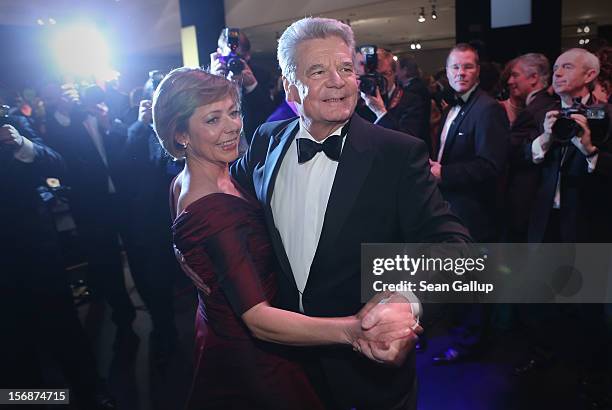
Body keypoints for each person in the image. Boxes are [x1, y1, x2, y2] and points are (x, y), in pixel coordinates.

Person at [231, 17, 471, 409]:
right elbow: (230, 201)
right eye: (319, 70)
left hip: (368, 372)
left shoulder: (397, 154)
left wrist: (405, 299)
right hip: (287, 366)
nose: (339, 81)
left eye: (346, 68)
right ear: (290, 86)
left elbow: (457, 252)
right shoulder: (266, 141)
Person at [153, 68, 416, 410]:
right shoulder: (211, 210)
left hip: (217, 330)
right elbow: (258, 319)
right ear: (180, 135)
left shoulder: (203, 176)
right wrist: (353, 330)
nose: (232, 126)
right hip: (259, 356)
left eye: (233, 112)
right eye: (212, 119)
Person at [0, 112, 116, 409]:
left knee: (63, 327)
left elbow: (55, 163)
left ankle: (90, 393)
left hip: (34, 252)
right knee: (13, 348)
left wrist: (20, 143)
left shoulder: (9, 122)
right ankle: (34, 401)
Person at [428, 43, 509, 365]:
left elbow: (491, 166)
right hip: (455, 210)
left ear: (478, 71)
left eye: (468, 67)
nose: (461, 73)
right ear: (447, 72)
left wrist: (442, 172)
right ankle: (462, 338)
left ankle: (470, 345)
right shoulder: (453, 106)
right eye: (455, 68)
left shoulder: (488, 108)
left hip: (476, 213)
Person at [504, 53, 558, 242]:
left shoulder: (538, 111)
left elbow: (513, 154)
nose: (510, 81)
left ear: (534, 77)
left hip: (528, 207)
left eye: (515, 75)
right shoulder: (540, 107)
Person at [209, 28, 275, 145]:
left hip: (256, 147)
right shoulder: (208, 80)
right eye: (228, 57)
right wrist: (213, 81)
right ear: (219, 54)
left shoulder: (261, 75)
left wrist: (252, 85)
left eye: (238, 57)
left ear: (247, 55)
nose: (233, 62)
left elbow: (272, 117)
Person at [360, 49, 432, 151]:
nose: (378, 79)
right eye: (374, 75)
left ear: (394, 74)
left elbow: (407, 142)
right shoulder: (361, 102)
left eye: (384, 74)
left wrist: (380, 112)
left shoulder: (412, 101)